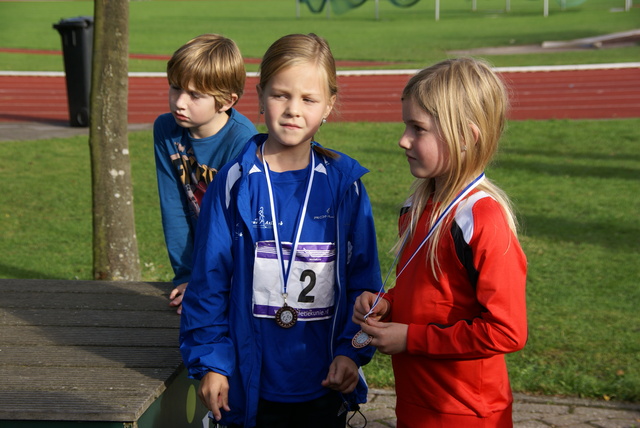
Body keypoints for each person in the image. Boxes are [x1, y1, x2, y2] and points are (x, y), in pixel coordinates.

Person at [178, 33, 382, 428]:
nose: (293, 110)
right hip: (249, 385)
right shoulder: (234, 183)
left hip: (324, 383)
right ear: (259, 95)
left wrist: (349, 352)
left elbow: (364, 284)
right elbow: (208, 284)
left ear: (329, 106)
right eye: (280, 95)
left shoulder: (345, 186)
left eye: (308, 99)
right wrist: (212, 363)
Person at [353, 57, 528, 428]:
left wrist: (412, 338)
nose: (403, 140)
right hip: (417, 403)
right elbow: (433, 293)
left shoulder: (482, 219)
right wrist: (388, 303)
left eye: (418, 129)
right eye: (406, 125)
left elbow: (506, 330)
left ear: (466, 136)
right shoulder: (416, 207)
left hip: (466, 413)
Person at [153, 34, 257, 314]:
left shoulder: (243, 141)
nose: (180, 102)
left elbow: (241, 228)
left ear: (225, 101)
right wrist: (187, 276)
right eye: (175, 88)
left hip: (241, 270)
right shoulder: (166, 130)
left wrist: (208, 284)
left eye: (195, 95)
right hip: (202, 267)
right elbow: (173, 207)